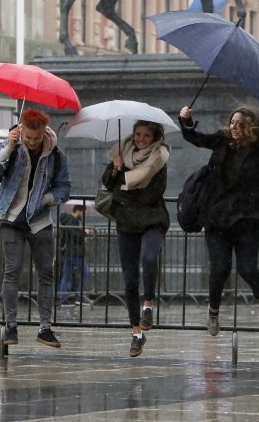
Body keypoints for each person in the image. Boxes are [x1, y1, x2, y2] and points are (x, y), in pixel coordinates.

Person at [178, 105, 259, 337]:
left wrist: (245, 195)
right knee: (220, 268)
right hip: (217, 217)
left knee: (247, 268)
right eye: (232, 123)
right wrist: (185, 120)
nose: (234, 128)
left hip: (247, 219)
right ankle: (213, 312)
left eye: (240, 124)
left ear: (251, 127)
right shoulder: (223, 140)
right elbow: (196, 138)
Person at [0, 109, 70, 349]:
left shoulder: (56, 156)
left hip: (40, 220)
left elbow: (65, 188)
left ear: (44, 132)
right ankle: (11, 326)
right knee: (13, 270)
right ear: (21, 130)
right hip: (10, 217)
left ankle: (45, 328)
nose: (32, 142)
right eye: (28, 137)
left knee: (46, 272)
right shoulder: (11, 145)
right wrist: (9, 148)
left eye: (36, 137)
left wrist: (47, 199)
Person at [101, 120, 171, 357]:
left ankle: (148, 304)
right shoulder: (123, 151)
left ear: (155, 138)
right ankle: (136, 334)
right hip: (126, 223)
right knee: (130, 280)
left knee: (149, 258)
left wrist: (123, 180)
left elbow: (151, 193)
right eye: (138, 134)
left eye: (146, 136)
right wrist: (115, 168)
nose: (140, 139)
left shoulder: (159, 158)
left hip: (152, 220)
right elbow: (107, 183)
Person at [57, 204, 91, 302]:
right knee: (85, 272)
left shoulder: (71, 221)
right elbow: (75, 236)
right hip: (76, 253)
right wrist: (85, 233)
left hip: (69, 253)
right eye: (82, 212)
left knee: (66, 276)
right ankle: (79, 297)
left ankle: (62, 297)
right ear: (78, 211)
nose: (83, 214)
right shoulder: (72, 221)